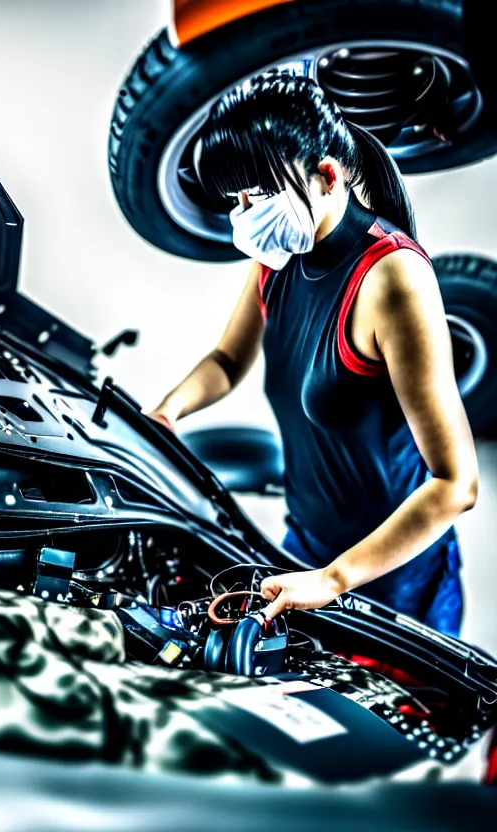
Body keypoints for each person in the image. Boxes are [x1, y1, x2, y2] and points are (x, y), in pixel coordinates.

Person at [148, 72, 478, 637]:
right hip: (306, 546)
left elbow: (456, 485)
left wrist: (333, 580)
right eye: (238, 199)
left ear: (327, 176)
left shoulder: (393, 279)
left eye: (259, 194)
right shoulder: (279, 252)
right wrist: (167, 412)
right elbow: (228, 360)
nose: (245, 214)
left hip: (391, 574)